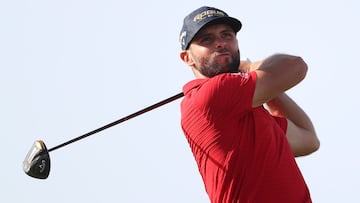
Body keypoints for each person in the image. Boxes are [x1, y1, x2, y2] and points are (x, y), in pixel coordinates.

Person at [178, 6, 320, 203]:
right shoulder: (213, 95)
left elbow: (308, 140)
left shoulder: (247, 112)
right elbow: (295, 65)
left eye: (226, 35)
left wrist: (265, 89)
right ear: (187, 58)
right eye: (207, 40)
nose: (220, 43)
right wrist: (251, 68)